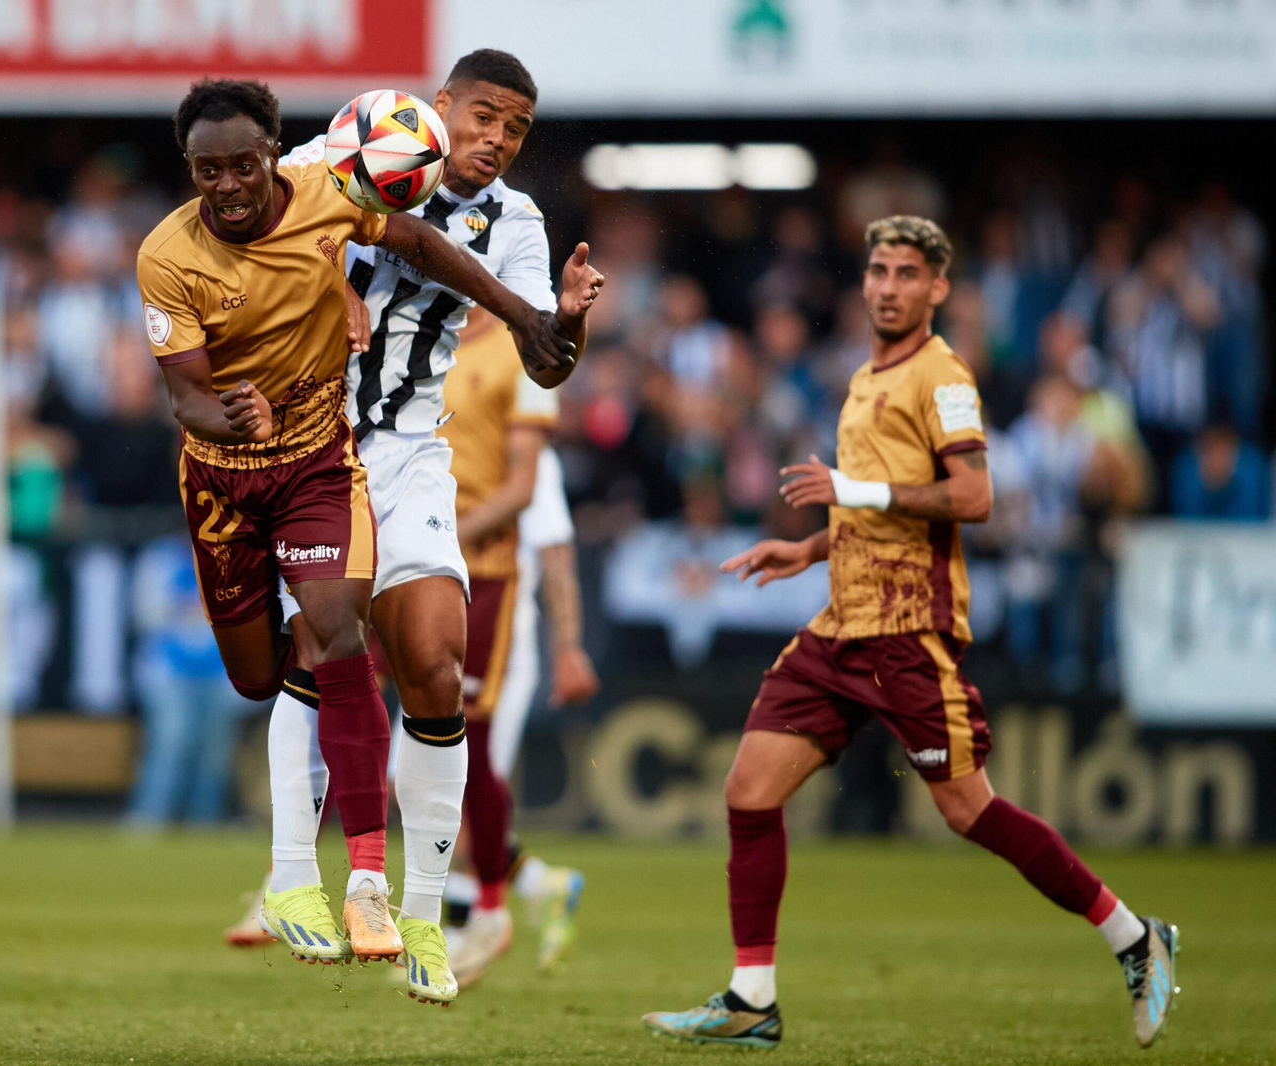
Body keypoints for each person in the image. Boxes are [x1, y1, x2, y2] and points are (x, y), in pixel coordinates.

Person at [641, 217, 1178, 1051]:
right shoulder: (863, 379)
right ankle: (752, 1000)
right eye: (878, 270)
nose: (888, 285)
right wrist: (813, 545)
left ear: (938, 289)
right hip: (840, 623)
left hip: (906, 629)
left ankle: (1136, 937)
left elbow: (973, 497)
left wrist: (851, 491)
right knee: (748, 790)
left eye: (907, 273)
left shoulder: (944, 377)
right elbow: (876, 504)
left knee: (970, 812)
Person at [136, 79, 580, 978]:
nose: (495, 139)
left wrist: (554, 321)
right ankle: (292, 874)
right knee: (303, 658)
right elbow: (272, 232)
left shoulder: (520, 224)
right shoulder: (337, 151)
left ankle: (416, 914)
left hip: (409, 446)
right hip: (307, 437)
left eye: (516, 129)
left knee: (435, 672)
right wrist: (330, 288)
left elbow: (547, 354)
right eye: (483, 117)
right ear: (441, 107)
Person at [445, 440, 598, 980]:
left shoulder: (532, 457)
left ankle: (462, 933)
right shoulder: (439, 431)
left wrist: (569, 645)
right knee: (415, 780)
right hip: (444, 642)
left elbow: (555, 552)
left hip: (503, 647)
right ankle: (539, 885)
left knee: (464, 778)